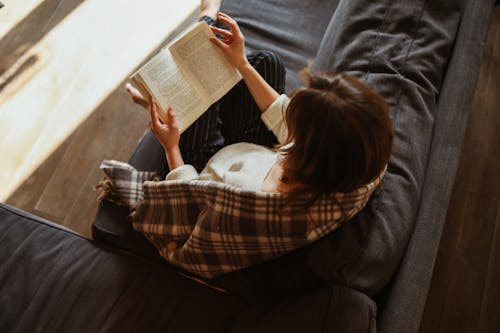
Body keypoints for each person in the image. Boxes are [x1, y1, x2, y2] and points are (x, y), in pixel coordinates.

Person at [125, 6, 393, 204]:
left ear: (303, 150)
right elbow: (281, 112)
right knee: (268, 62)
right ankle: (190, 72)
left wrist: (171, 146)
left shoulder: (249, 196)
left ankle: (161, 93)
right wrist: (240, 62)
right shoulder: (341, 159)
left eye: (295, 122)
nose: (287, 108)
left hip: (210, 165)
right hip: (255, 152)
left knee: (195, 107)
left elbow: (189, 199)